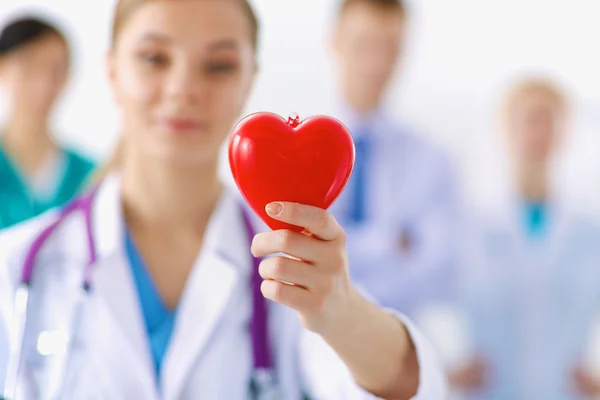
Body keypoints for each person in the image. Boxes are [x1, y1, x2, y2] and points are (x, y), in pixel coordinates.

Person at [0, 1, 447, 399]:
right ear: (113, 72)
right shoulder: (16, 266)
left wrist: (341, 312)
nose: (183, 88)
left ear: (249, 81)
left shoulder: (287, 265)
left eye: (218, 66)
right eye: (154, 58)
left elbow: (410, 387)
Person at [449, 78, 600, 400]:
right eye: (529, 119)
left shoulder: (589, 229)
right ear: (505, 129)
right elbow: (431, 301)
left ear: (564, 133)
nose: (538, 132)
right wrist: (445, 365)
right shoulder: (471, 225)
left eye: (549, 120)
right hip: (489, 392)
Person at [326, 0, 461, 318]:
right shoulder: (289, 149)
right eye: (365, 45)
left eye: (390, 48)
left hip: (397, 341)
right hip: (309, 346)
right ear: (334, 41)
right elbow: (291, 255)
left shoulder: (432, 160)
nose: (377, 63)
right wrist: (392, 241)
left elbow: (439, 275)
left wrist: (338, 246)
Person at [0, 16, 96, 229]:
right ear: (2, 67)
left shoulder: (90, 176)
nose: (43, 84)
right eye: (30, 68)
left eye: (56, 70)